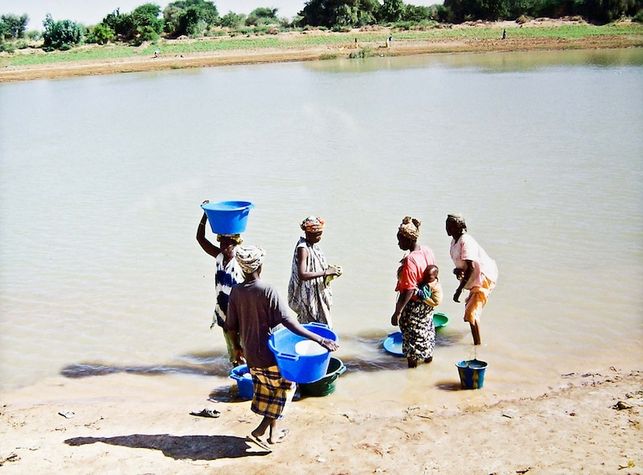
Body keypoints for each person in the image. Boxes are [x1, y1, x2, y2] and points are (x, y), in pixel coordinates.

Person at [226, 245, 338, 449]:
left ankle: (273, 434)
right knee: (286, 387)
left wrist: (237, 349)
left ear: (243, 268)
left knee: (271, 390)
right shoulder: (266, 290)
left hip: (251, 353)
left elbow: (230, 327)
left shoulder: (236, 291)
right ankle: (259, 432)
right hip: (269, 353)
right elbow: (288, 322)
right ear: (259, 265)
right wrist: (319, 340)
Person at [196, 202, 244, 366]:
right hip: (224, 312)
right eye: (221, 243)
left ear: (236, 243)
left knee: (244, 351)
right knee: (233, 353)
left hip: (240, 315)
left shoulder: (242, 260)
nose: (223, 247)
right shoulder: (220, 257)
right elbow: (200, 239)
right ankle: (235, 375)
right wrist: (205, 215)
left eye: (227, 244)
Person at [391, 216, 438, 368]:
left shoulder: (411, 259)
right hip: (427, 302)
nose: (398, 243)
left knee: (411, 339)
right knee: (426, 333)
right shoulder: (427, 251)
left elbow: (409, 289)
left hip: (414, 305)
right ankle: (428, 363)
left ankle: (412, 370)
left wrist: (397, 312)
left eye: (400, 240)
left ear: (408, 239)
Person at [446, 213, 498, 346]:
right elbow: (463, 265)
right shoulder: (454, 241)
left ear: (458, 227)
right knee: (471, 308)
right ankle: (476, 338)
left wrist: (459, 290)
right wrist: (457, 271)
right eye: (447, 225)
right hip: (474, 277)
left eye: (450, 225)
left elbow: (471, 267)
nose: (447, 228)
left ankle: (477, 346)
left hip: (483, 277)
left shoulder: (465, 241)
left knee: (471, 313)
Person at [287, 216, 341, 328]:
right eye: (317, 235)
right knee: (311, 322)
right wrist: (325, 272)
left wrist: (330, 271)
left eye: (321, 234)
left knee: (320, 322)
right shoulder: (303, 249)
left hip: (315, 290)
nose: (320, 237)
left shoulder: (312, 246)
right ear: (309, 234)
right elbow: (302, 274)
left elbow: (315, 265)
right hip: (307, 294)